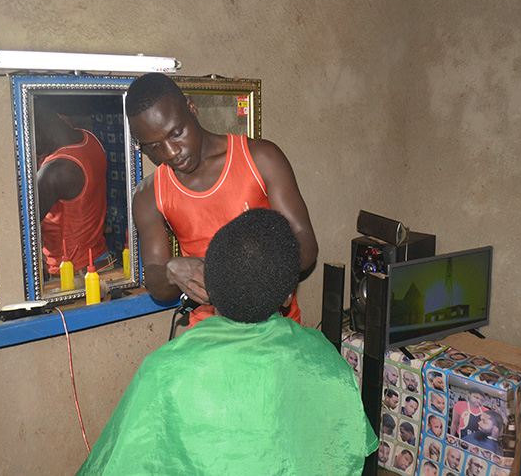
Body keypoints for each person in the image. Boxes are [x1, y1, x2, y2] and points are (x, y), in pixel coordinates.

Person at [76, 209, 376, 475]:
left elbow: (117, 464)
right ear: (288, 295)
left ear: (208, 290)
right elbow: (346, 448)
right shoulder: (323, 357)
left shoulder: (165, 370)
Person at [127, 73, 317, 326]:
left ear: (192, 108)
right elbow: (158, 284)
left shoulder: (261, 158)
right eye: (153, 147)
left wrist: (260, 272)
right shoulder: (148, 195)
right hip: (211, 333)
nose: (171, 153)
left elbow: (306, 244)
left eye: (176, 133)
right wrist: (171, 272)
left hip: (275, 327)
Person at [34, 97, 108, 275]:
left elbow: (22, 225)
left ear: (36, 128)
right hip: (100, 258)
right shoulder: (91, 139)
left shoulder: (55, 170)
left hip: (73, 273)